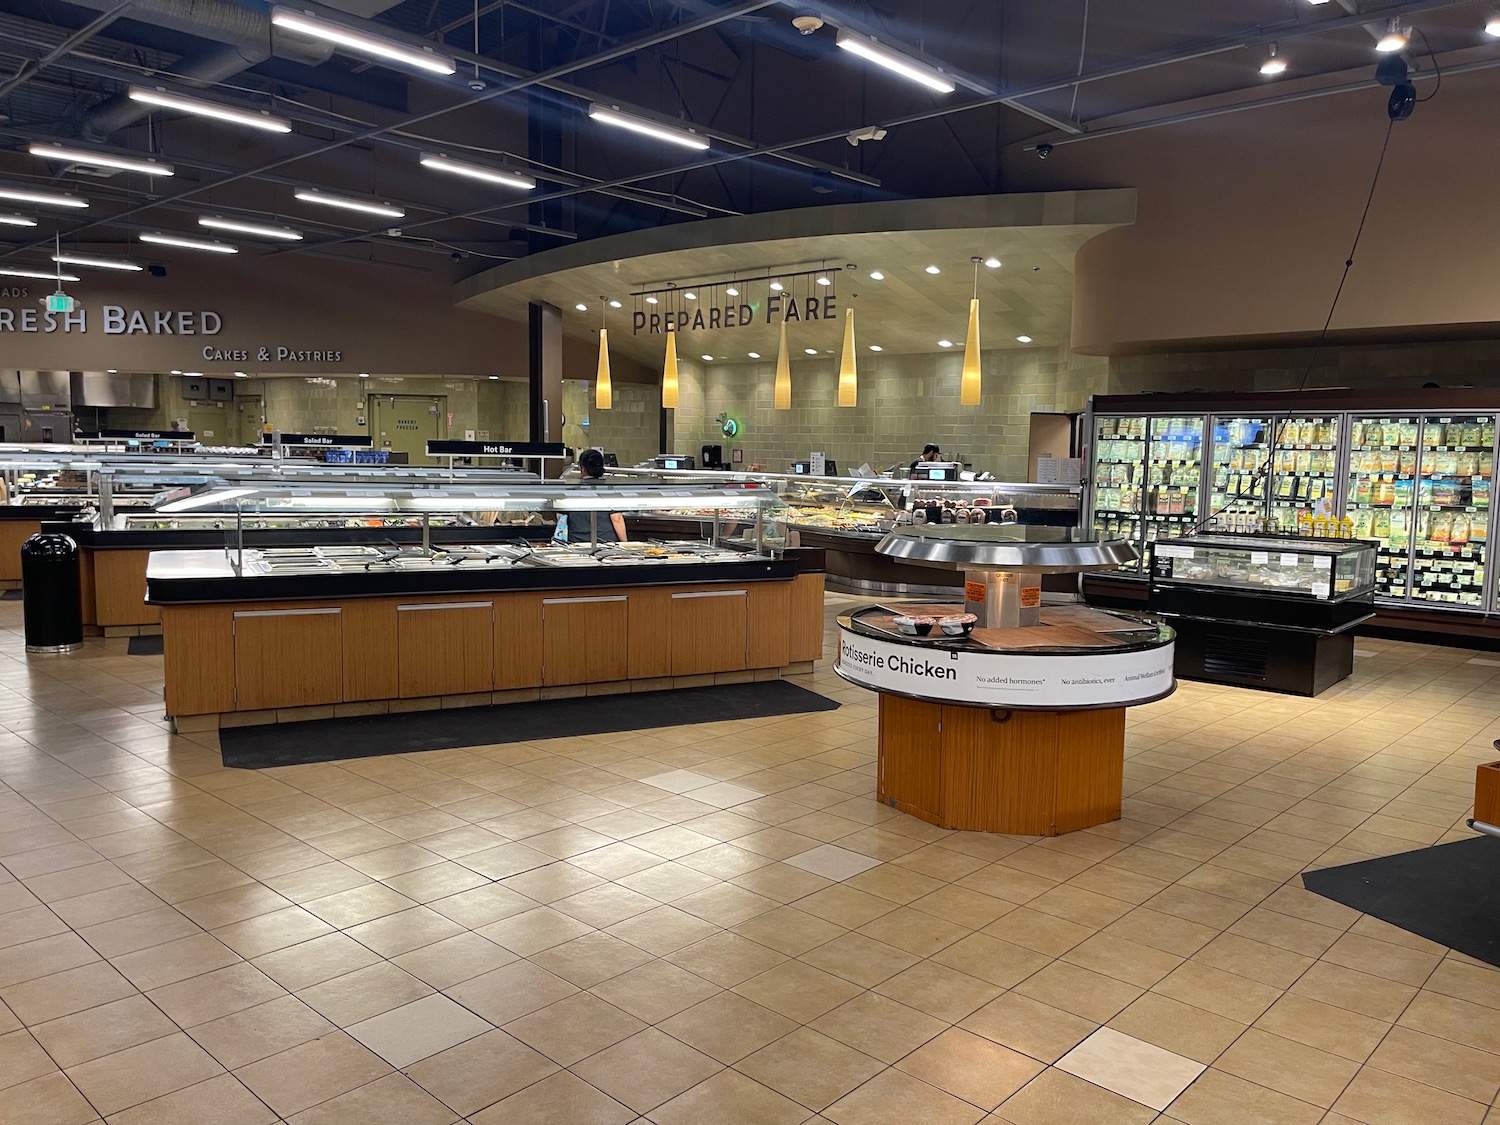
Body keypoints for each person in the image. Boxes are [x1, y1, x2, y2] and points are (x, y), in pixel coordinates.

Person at [556, 448, 627, 545]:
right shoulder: (610, 492)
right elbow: (616, 519)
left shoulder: (570, 493)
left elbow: (561, 518)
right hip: (606, 543)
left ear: (583, 468)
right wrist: (625, 544)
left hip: (577, 543)